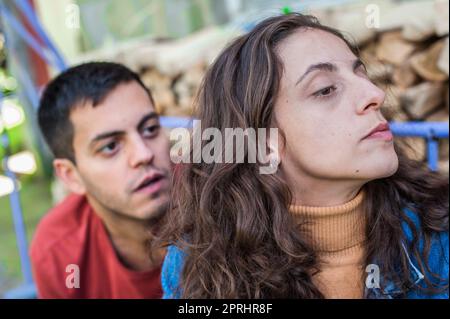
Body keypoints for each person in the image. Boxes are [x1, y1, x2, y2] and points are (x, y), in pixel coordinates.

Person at [158, 13, 448, 299]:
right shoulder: (199, 263)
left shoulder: (439, 234)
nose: (375, 93)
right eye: (326, 90)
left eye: (362, 74)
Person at [31, 62, 172, 298]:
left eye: (149, 129)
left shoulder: (221, 204)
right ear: (71, 175)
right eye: (110, 147)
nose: (144, 154)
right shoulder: (58, 253)